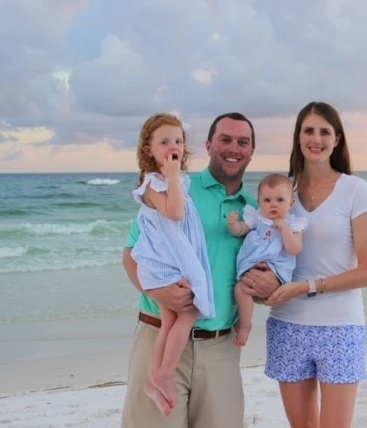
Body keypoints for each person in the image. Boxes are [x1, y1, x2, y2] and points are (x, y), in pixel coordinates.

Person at [121, 112, 281, 428]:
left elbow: (268, 267)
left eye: (243, 142)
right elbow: (131, 255)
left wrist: (268, 285)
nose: (233, 148)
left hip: (221, 347)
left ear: (252, 151)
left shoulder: (256, 210)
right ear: (208, 145)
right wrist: (159, 292)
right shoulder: (176, 188)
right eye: (225, 139)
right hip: (159, 336)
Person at [242, 101, 367, 428]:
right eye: (308, 131)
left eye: (324, 132)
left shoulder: (355, 190)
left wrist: (305, 288)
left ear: (337, 139)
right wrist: (261, 290)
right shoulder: (281, 192)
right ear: (298, 137)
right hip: (288, 324)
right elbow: (260, 251)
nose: (315, 139)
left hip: (341, 326)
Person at [129, 113, 215, 416]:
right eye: (164, 142)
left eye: (178, 140)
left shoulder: (178, 181)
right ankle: (166, 375)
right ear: (148, 150)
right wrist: (174, 177)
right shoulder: (153, 183)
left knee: (169, 321)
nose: (173, 146)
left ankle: (157, 379)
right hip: (164, 264)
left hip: (169, 260)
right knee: (189, 312)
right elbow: (175, 214)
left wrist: (177, 178)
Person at [227, 173, 307, 347]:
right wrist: (233, 224)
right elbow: (240, 231)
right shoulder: (257, 219)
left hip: (276, 269)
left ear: (291, 203)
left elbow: (295, 249)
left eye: (280, 200)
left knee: (263, 289)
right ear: (259, 202)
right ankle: (245, 324)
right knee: (240, 290)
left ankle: (248, 321)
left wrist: (284, 229)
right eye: (267, 200)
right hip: (253, 265)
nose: (273, 204)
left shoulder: (293, 224)